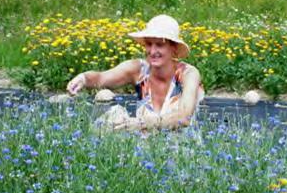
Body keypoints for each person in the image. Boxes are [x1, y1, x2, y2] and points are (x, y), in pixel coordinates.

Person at [66, 14, 204, 132]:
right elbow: (101, 78)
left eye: (159, 45)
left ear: (173, 48)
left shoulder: (188, 73)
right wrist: (83, 78)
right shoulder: (138, 70)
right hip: (142, 149)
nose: (152, 51)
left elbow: (184, 117)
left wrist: (141, 123)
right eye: (149, 44)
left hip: (182, 150)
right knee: (110, 112)